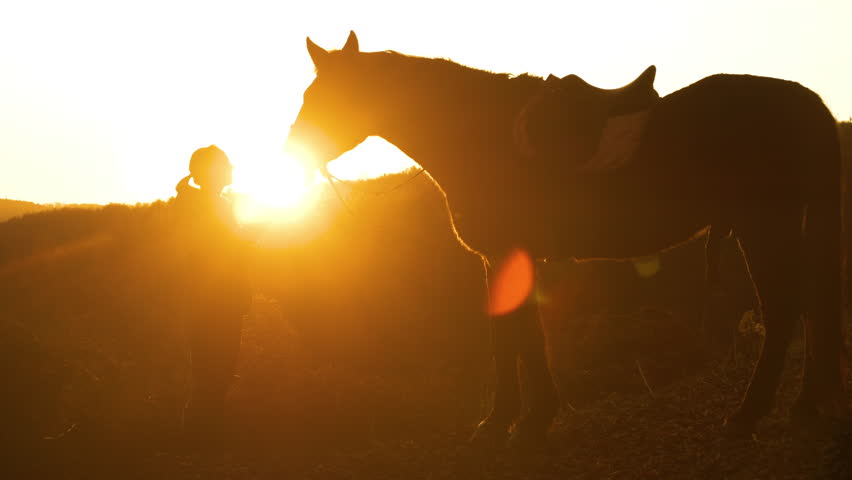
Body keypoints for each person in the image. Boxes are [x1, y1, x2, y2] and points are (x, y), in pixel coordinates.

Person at [172, 145, 251, 452]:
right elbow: (221, 251)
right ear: (214, 172)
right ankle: (202, 444)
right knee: (214, 372)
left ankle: (201, 442)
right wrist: (247, 239)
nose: (232, 168)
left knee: (209, 373)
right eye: (227, 164)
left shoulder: (198, 204)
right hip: (217, 302)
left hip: (209, 301)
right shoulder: (210, 207)